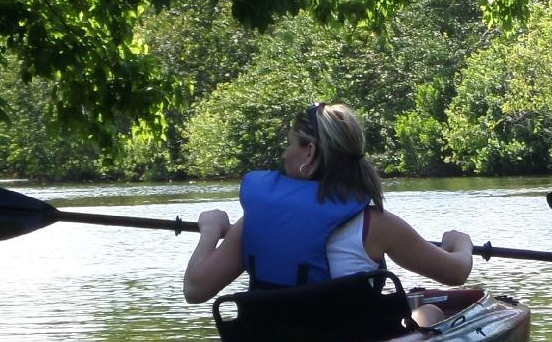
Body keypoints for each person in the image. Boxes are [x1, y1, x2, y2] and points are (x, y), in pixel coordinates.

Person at [183, 102, 474, 327]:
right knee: (429, 312)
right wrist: (460, 244)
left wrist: (210, 230)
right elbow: (456, 272)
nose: (285, 154)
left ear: (309, 152)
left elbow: (195, 289)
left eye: (289, 143)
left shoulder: (255, 221)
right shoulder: (377, 226)